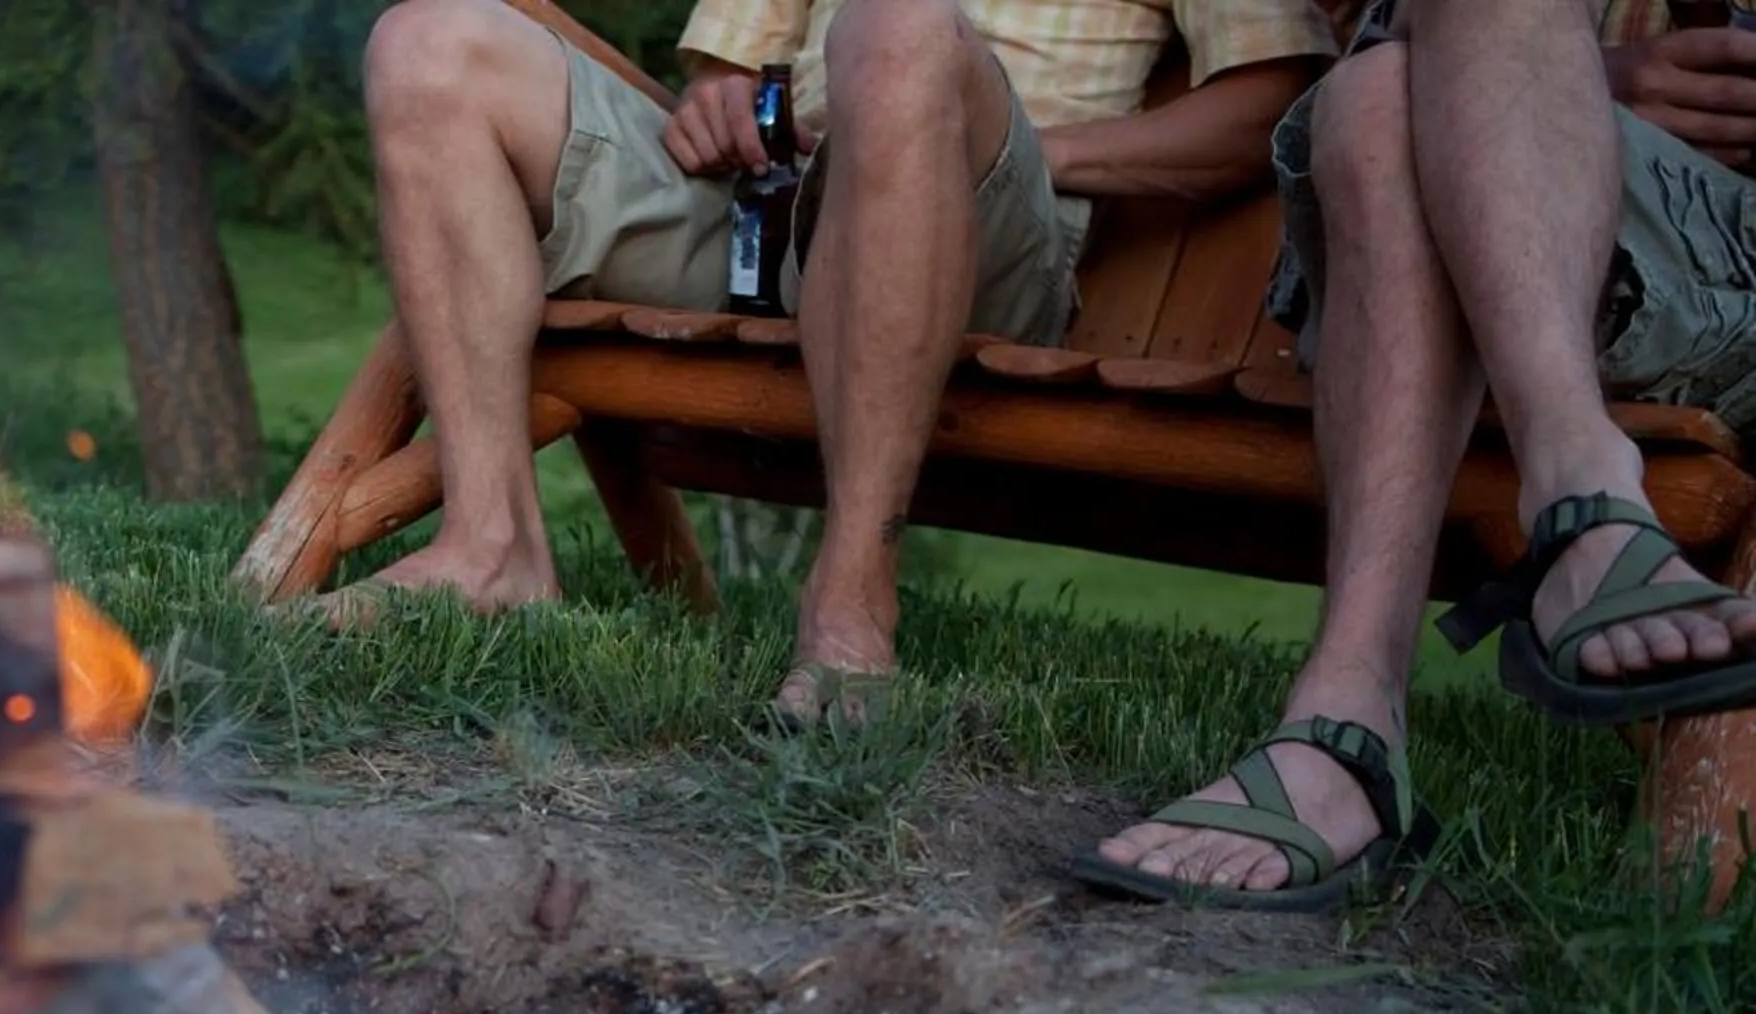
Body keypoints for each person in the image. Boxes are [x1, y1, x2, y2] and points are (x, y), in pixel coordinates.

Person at [349, 0, 1332, 724]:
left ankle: (852, 603)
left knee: (898, 26)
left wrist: (1023, 144)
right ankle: (491, 546)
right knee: (427, 41)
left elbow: (1267, 108)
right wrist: (725, 110)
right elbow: (725, 73)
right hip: (766, 208)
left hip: (978, 238)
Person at [1084, 0, 1756, 911]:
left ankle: (1347, 733)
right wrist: (1570, 83)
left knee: (1384, 99)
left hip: (1724, 264)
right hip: (1507, 221)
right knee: (1381, 89)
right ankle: (1574, 501)